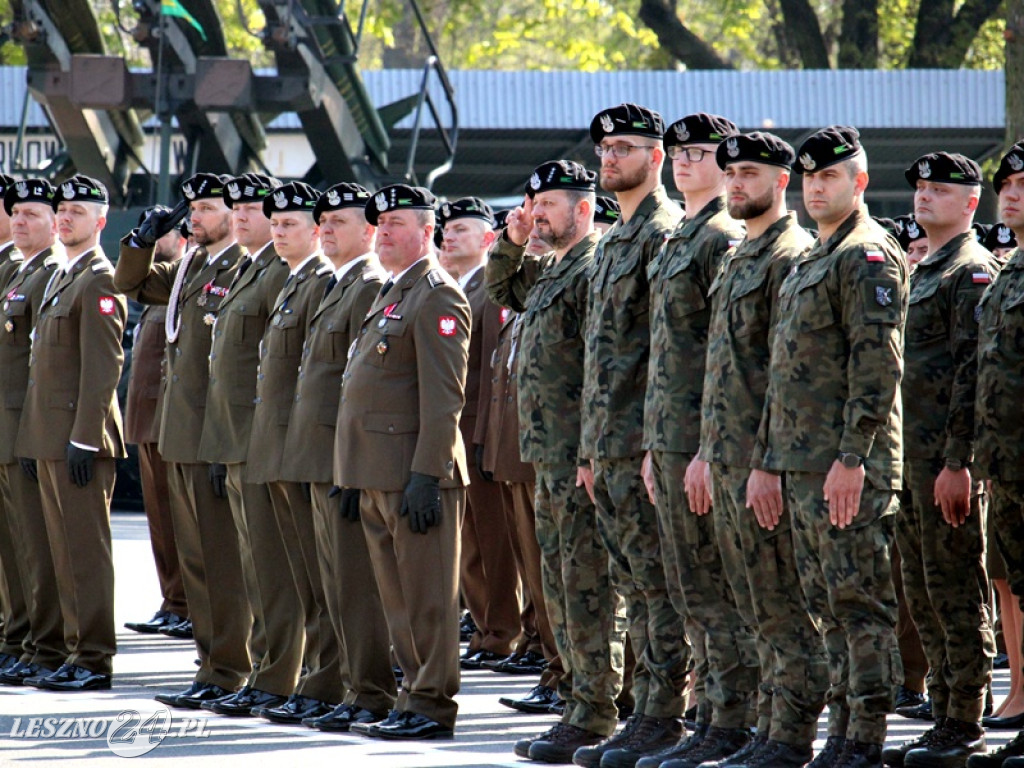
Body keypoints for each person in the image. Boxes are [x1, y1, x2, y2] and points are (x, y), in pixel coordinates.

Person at [758, 125, 907, 768]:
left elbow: (876, 367)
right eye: (811, 178)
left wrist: (853, 459)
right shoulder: (813, 256)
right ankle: (842, 729)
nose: (818, 188)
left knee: (859, 603)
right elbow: (784, 371)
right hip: (802, 465)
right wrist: (770, 460)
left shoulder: (867, 253)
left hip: (846, 466)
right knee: (826, 606)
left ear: (859, 183)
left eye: (831, 178)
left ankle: (865, 736)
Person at [695, 131, 829, 768]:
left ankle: (789, 731)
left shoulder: (790, 256)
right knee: (747, 602)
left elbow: (787, 377)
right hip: (724, 459)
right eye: (731, 173)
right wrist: (704, 451)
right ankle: (757, 724)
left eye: (749, 172)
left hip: (764, 465)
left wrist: (767, 463)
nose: (735, 183)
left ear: (782, 181)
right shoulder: (738, 255)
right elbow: (719, 371)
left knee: (781, 604)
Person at [488, 160, 623, 764]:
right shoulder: (550, 267)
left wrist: (592, 451)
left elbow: (603, 371)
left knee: (589, 587)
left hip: (580, 458)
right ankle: (577, 700)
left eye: (549, 205)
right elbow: (502, 291)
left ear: (584, 209)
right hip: (548, 458)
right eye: (533, 202)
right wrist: (513, 244)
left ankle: (597, 710)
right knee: (561, 587)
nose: (537, 212)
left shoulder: (595, 268)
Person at [636, 112, 758, 768]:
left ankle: (730, 718)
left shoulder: (720, 235)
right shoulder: (684, 233)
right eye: (678, 153)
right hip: (672, 438)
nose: (686, 161)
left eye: (701, 153)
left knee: (717, 587)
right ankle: (710, 715)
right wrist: (658, 446)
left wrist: (709, 448)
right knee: (689, 589)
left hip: (708, 441)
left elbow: (725, 355)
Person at [335, 183, 470, 740]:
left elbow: (445, 397)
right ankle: (412, 695)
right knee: (398, 600)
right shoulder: (392, 292)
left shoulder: (436, 294)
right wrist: (350, 471)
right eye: (381, 223)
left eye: (395, 223)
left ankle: (432, 704)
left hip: (414, 474)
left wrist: (427, 474)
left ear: (425, 232)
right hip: (375, 472)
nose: (384, 232)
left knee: (428, 601)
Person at [575, 103, 689, 768]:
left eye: (623, 147)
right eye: (604, 148)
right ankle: (643, 712)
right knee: (635, 586)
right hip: (609, 445)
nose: (608, 158)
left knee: (660, 588)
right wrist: (591, 451)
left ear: (656, 158)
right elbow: (601, 356)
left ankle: (663, 715)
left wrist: (648, 448)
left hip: (645, 444)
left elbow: (666, 357)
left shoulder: (662, 234)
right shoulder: (616, 238)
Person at [114, 173, 251, 708]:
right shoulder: (190, 266)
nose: (195, 215)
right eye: (191, 206)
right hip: (180, 432)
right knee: (196, 559)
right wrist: (141, 241)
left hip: (212, 434)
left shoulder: (239, 266)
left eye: (207, 207)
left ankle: (231, 665)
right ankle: (211, 663)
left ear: (235, 215)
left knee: (222, 559)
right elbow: (132, 284)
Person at [882, 152, 998, 768]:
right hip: (910, 462)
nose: (924, 198)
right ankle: (944, 706)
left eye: (939, 190)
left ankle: (966, 717)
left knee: (955, 590)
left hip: (944, 465)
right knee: (923, 592)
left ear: (970, 203)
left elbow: (969, 376)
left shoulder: (970, 272)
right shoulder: (922, 270)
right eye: (921, 188)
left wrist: (959, 462)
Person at [278, 182, 395, 732]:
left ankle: (369, 689)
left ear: (370, 230)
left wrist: (353, 465)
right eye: (321, 221)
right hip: (315, 453)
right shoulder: (335, 284)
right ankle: (331, 682)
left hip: (339, 458)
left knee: (353, 585)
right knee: (325, 584)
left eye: (339, 222)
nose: (324, 228)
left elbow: (362, 387)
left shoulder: (367, 285)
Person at [227, 181, 338, 724]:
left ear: (317, 229)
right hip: (273, 444)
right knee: (278, 570)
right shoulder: (294, 281)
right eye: (275, 224)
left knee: (311, 576)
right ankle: (279, 675)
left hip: (301, 448)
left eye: (289, 223)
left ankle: (308, 679)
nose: (278, 232)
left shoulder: (320, 281)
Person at [16, 175, 126, 691]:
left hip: (77, 440)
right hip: (50, 435)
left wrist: (85, 437)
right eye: (61, 209)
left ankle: (94, 657)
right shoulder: (64, 275)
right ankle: (71, 650)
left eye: (77, 211)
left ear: (101, 221)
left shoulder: (100, 279)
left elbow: (104, 368)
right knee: (59, 552)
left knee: (84, 550)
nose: (65, 217)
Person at [196, 173, 292, 703]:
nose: (242, 218)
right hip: (233, 438)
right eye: (239, 210)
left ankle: (277, 676)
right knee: (252, 565)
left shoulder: (281, 273)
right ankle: (258, 672)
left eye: (253, 210)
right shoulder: (247, 269)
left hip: (261, 440)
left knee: (272, 569)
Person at [440, 197, 521, 671]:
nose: (450, 236)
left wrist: (486, 436)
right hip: (459, 428)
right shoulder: (460, 288)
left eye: (462, 230)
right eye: (447, 230)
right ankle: (489, 624)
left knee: (493, 539)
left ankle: (501, 631)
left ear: (489, 239)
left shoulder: (490, 294)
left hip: (479, 430)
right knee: (470, 540)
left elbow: (493, 370)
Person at [967, 141, 1024, 768]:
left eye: (1023, 184)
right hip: (1006, 468)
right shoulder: (1011, 271)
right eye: (1005, 184)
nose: (1011, 193)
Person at [0, 177, 64, 686]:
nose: (20, 222)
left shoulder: (50, 274)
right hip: (9, 426)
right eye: (15, 213)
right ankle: (20, 636)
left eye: (31, 214)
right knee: (16, 544)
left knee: (36, 546)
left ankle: (43, 644)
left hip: (28, 427)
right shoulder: (19, 271)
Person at [123, 212, 189, 636]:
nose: (157, 239)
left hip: (170, 421)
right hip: (147, 419)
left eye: (163, 231)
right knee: (160, 523)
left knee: (182, 523)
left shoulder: (181, 280)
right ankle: (173, 600)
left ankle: (188, 603)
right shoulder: (158, 283)